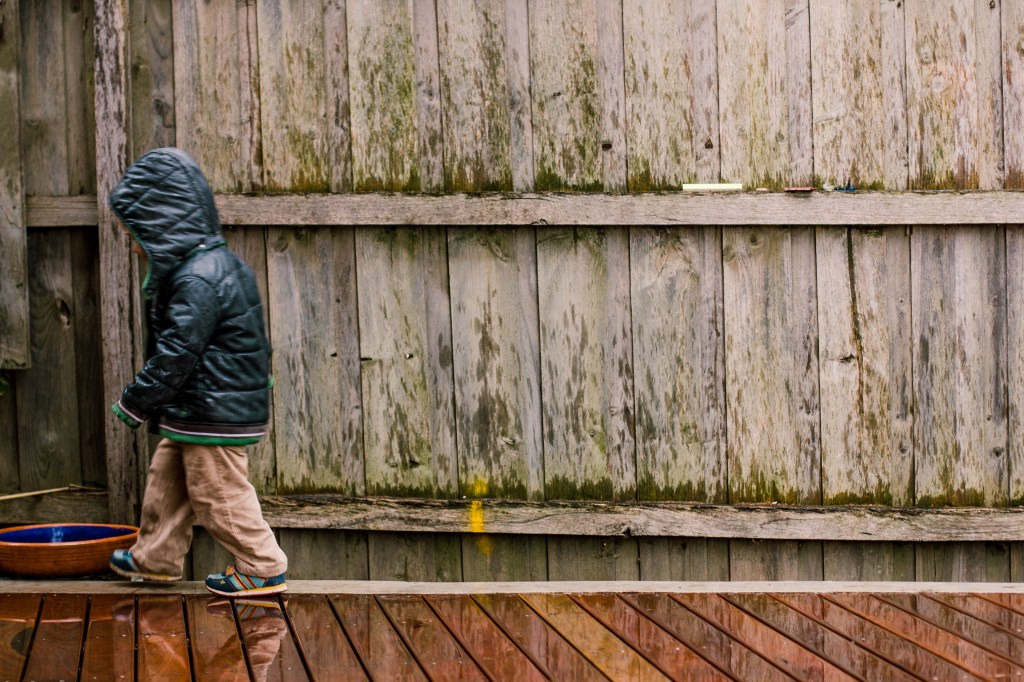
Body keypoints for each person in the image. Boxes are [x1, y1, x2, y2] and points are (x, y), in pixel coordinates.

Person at [106, 147, 288, 596]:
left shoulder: (199, 278)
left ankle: (263, 564)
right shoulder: (203, 267)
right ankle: (156, 558)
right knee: (167, 479)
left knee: (216, 492)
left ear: (165, 227)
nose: (133, 243)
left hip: (214, 410)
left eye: (138, 233)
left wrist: (137, 399)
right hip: (199, 406)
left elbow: (178, 353)